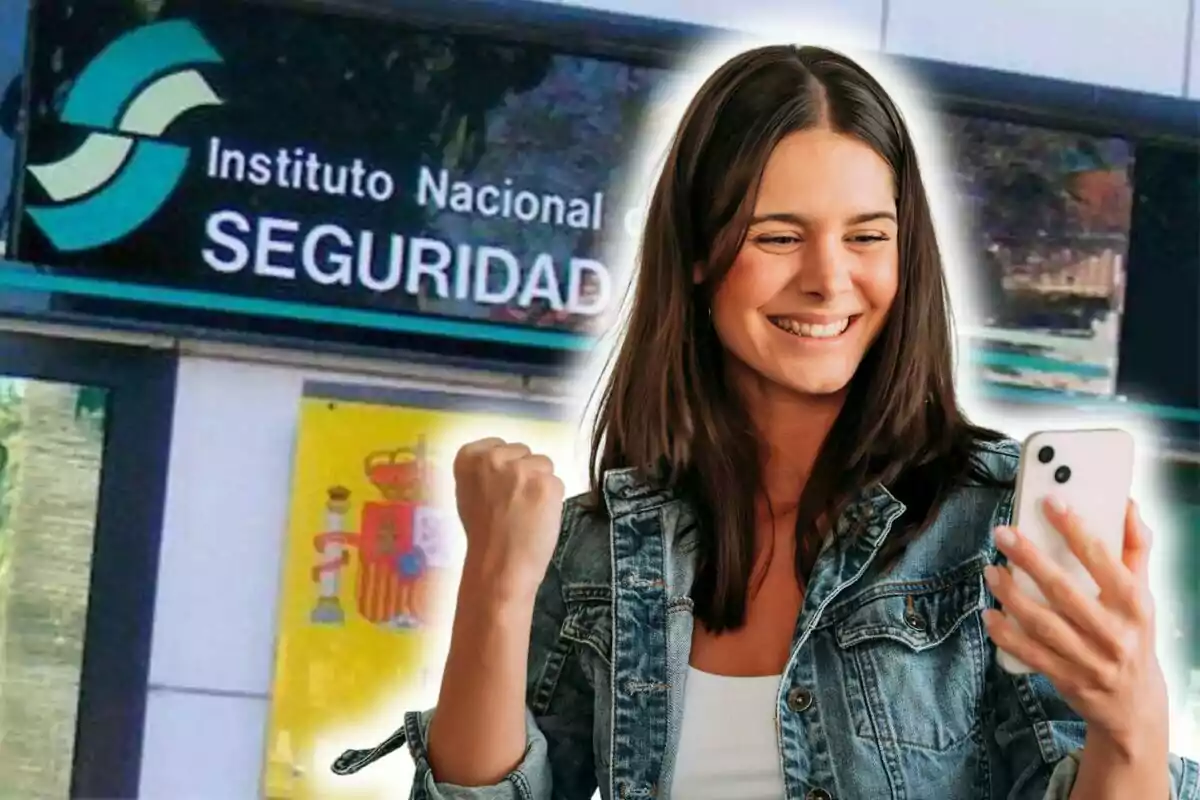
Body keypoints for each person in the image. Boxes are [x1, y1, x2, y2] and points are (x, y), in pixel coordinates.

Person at [332, 44, 1199, 798]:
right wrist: (496, 583)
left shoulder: (997, 530)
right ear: (700, 257)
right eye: (778, 237)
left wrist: (1132, 724)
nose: (829, 280)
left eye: (867, 237)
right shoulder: (599, 550)